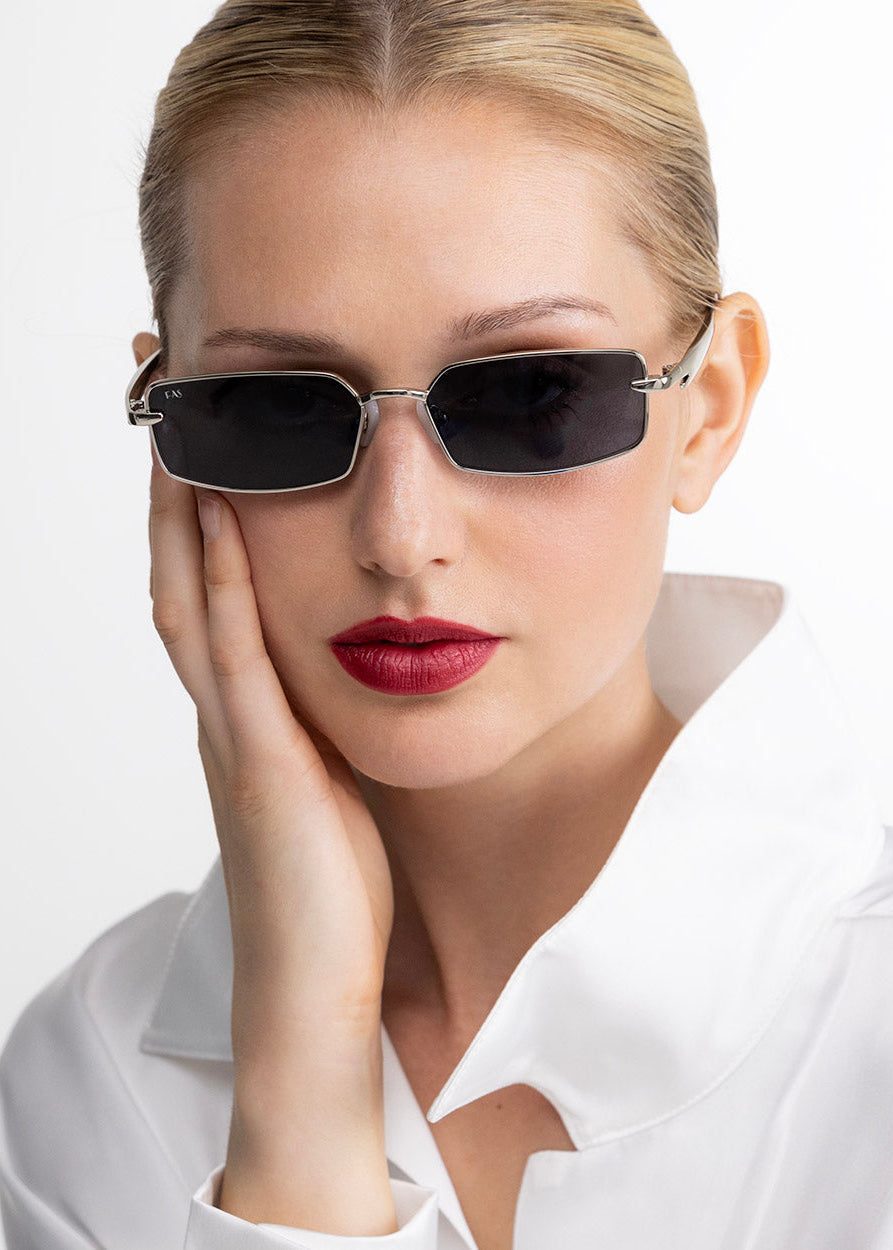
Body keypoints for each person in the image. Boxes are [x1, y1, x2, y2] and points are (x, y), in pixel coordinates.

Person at [1, 1, 891, 1247]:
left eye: (529, 392)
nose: (399, 531)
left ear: (711, 405)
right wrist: (300, 1074)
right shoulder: (83, 1078)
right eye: (275, 407)